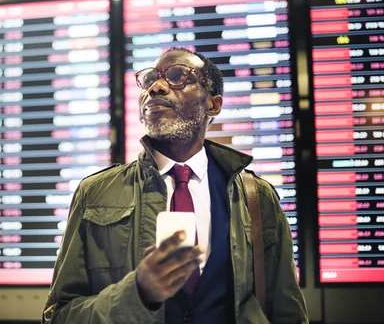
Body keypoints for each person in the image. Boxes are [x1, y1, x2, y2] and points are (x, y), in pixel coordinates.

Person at [42, 48, 308, 323]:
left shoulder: (256, 196)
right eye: (148, 80)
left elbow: (286, 310)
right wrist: (137, 294)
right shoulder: (95, 193)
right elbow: (59, 315)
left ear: (213, 105)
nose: (155, 87)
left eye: (178, 76)